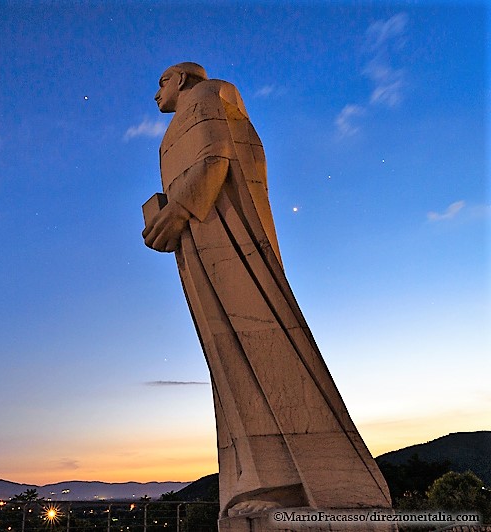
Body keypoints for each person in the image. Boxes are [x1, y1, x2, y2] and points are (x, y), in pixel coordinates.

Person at [142, 63, 392, 518]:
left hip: (226, 236)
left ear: (181, 79)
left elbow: (217, 158)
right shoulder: (178, 125)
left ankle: (307, 484)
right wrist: (171, 220)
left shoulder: (208, 95)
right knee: (230, 360)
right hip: (201, 240)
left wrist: (178, 209)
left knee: (258, 340)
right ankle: (263, 479)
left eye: (160, 82)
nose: (154, 94)